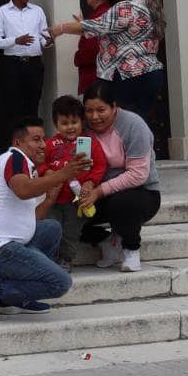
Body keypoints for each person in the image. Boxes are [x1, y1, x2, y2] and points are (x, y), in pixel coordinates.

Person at [0, 116, 86, 323]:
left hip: (3, 244)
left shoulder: (27, 167)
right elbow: (22, 190)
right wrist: (62, 174)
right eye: (36, 140)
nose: (42, 146)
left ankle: (18, 297)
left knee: (51, 228)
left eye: (44, 139)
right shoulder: (15, 158)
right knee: (60, 282)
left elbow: (30, 219)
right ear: (17, 143)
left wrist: (49, 199)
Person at [48, 0, 166, 122]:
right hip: (150, 73)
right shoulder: (149, 3)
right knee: (140, 126)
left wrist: (60, 28)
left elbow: (96, 26)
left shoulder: (127, 7)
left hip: (128, 75)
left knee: (123, 129)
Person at [76, 81, 162, 272]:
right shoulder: (82, 128)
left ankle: (131, 248)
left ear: (114, 107)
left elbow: (138, 174)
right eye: (89, 111)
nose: (94, 117)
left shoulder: (133, 125)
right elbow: (80, 164)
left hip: (140, 193)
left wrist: (99, 191)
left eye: (101, 110)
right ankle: (106, 240)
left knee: (123, 203)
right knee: (63, 210)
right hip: (95, 190)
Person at [44, 95, 108, 267]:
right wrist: (47, 172)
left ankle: (66, 259)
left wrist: (90, 183)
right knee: (51, 228)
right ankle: (49, 259)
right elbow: (39, 164)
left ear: (82, 122)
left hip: (77, 200)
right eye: (64, 123)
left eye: (74, 122)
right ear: (56, 124)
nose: (70, 127)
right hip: (53, 199)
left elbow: (100, 165)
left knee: (71, 231)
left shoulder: (89, 144)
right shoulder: (50, 144)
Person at [0, 0, 52, 133]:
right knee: (13, 106)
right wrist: (16, 41)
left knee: (33, 104)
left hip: (34, 64)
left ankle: (33, 142)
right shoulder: (3, 12)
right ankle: (15, 143)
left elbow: (43, 37)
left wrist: (49, 42)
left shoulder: (37, 11)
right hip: (13, 64)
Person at [75, 0, 117, 95]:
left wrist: (77, 58)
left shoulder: (101, 15)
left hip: (96, 76)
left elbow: (92, 51)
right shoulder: (104, 12)